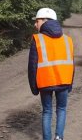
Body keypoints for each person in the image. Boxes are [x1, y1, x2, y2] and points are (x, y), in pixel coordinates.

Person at [28, 8, 74, 140]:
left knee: (47, 111)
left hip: (45, 82)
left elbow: (32, 66)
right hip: (64, 81)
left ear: (44, 20)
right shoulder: (67, 40)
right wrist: (70, 82)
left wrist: (34, 87)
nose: (35, 24)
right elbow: (71, 64)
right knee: (61, 109)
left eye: (37, 21)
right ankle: (59, 137)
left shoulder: (37, 39)